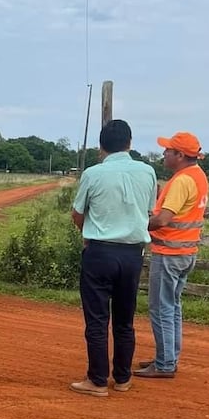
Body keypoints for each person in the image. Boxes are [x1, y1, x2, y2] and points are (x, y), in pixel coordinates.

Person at [69, 119, 157, 397]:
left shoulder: (93, 174)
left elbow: (77, 214)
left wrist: (89, 231)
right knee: (124, 319)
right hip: (132, 254)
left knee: (97, 319)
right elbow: (148, 211)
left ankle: (96, 380)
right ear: (129, 143)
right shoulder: (148, 172)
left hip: (100, 251)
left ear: (101, 146)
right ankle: (122, 377)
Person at [135, 132, 208, 379]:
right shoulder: (198, 176)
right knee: (173, 307)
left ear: (179, 155)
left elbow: (163, 219)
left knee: (161, 308)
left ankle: (165, 364)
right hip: (186, 252)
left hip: (169, 253)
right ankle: (167, 357)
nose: (164, 153)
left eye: (168, 150)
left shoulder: (181, 181)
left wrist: (134, 224)